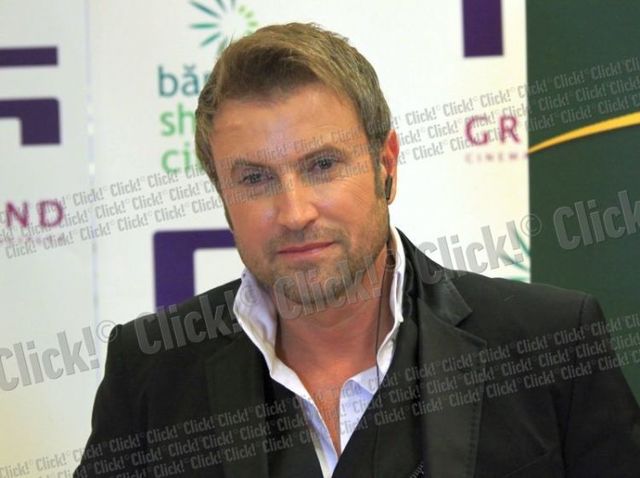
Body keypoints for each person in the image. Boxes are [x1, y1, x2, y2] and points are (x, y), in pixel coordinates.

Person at [74, 23, 640, 478]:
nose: (294, 212)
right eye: (254, 178)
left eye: (322, 165)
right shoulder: (148, 372)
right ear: (223, 196)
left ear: (385, 165)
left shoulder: (550, 343)